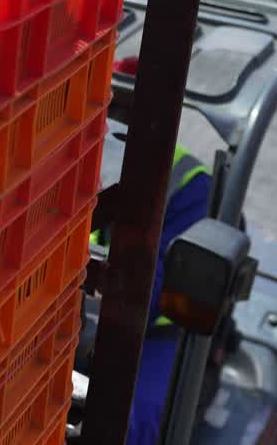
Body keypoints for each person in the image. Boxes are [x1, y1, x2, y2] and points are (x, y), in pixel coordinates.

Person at [90, 142, 211, 445]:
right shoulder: (61, 155)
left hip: (159, 334)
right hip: (84, 316)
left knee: (124, 423)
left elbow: (150, 298)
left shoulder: (192, 188)